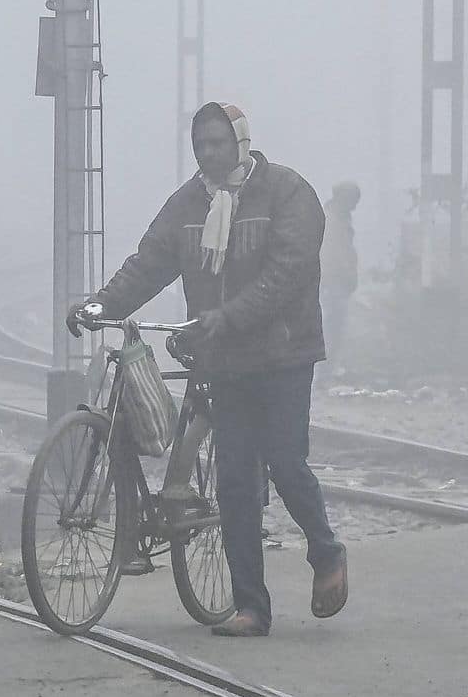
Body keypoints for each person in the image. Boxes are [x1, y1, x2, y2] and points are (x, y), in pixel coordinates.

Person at [68, 102, 347, 637]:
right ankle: (251, 608)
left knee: (286, 464)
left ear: (240, 144)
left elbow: (287, 273)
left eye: (218, 143)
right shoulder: (188, 204)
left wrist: (228, 317)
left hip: (283, 355)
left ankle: (327, 553)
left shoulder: (289, 193)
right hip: (226, 361)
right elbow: (148, 263)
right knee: (236, 479)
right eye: (201, 145)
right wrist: (101, 306)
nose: (209, 153)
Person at [320, 181, 361, 357]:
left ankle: (324, 373)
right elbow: (332, 254)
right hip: (332, 283)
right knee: (331, 330)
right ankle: (322, 375)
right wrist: (345, 275)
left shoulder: (339, 218)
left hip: (336, 283)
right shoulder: (332, 220)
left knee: (333, 329)